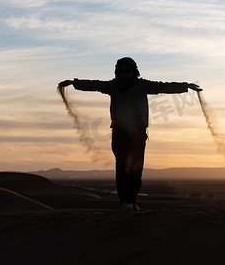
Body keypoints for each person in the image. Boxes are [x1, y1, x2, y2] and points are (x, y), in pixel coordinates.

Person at [58, 57, 202, 211]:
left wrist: (185, 86)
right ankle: (124, 203)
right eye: (121, 71)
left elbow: (164, 86)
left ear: (134, 71)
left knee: (136, 170)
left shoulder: (142, 85)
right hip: (120, 133)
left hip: (138, 134)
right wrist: (74, 83)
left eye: (127, 70)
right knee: (121, 168)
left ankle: (132, 201)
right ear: (117, 72)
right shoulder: (112, 86)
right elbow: (94, 84)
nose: (124, 73)